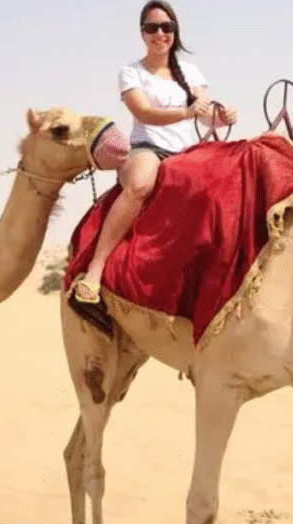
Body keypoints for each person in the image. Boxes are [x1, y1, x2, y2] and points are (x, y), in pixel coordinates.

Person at [72, 0, 238, 306]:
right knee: (140, 185)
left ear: (175, 32)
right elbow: (145, 113)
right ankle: (95, 270)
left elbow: (205, 114)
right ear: (142, 33)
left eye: (166, 27)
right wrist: (187, 112)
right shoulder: (131, 72)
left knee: (224, 189)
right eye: (152, 28)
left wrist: (223, 115)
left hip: (186, 152)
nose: (160, 33)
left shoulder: (189, 71)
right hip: (147, 148)